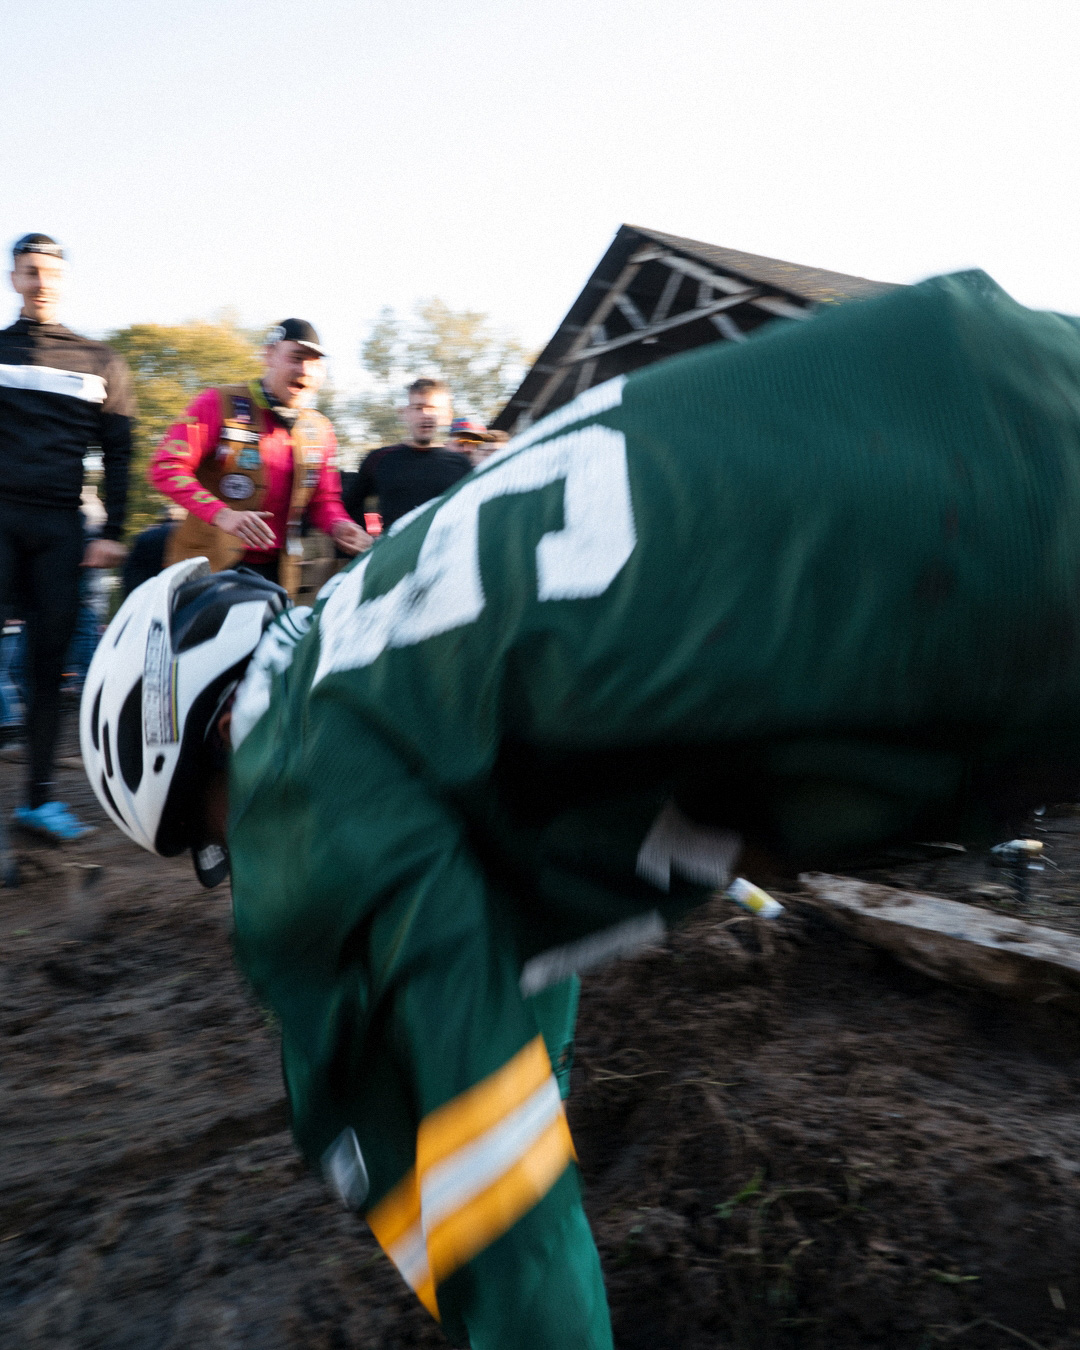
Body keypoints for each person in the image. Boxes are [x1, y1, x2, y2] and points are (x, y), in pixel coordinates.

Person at [80, 271, 1080, 1348]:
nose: (243, 857)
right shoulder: (392, 630)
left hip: (991, 562)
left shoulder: (296, 763)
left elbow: (489, 1198)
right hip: (971, 374)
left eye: (215, 835)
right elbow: (515, 945)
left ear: (200, 743)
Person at [0, 233, 134, 842]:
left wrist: (115, 531)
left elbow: (120, 451)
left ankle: (37, 801)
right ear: (14, 279)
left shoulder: (101, 362)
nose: (40, 282)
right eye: (29, 271)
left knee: (49, 667)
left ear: (63, 281)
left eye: (50, 272)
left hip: (61, 529)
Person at [149, 319, 370, 592]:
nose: (304, 370)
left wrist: (340, 526)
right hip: (208, 568)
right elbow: (167, 467)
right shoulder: (218, 402)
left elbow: (324, 500)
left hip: (278, 575)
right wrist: (221, 514)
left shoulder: (319, 429)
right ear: (269, 355)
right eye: (296, 358)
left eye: (314, 363)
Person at [343, 378, 470, 531]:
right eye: (418, 408)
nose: (426, 414)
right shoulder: (378, 460)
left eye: (433, 408)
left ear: (447, 415)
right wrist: (365, 537)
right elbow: (349, 507)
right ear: (404, 413)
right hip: (396, 546)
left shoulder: (461, 466)